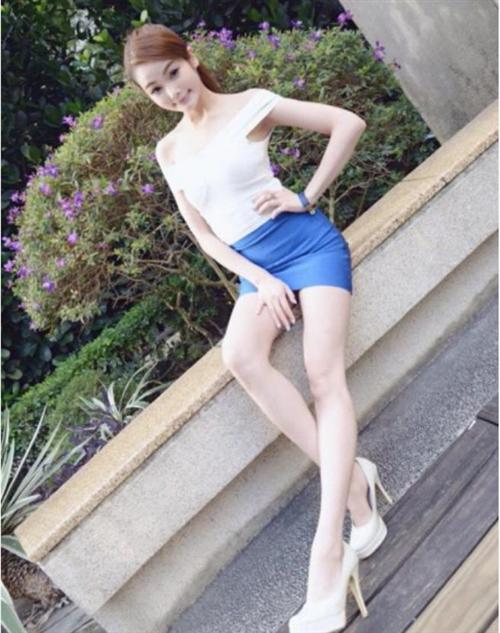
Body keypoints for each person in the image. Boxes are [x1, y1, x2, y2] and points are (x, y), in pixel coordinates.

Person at [123, 22, 394, 633]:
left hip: (307, 247)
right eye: (155, 89)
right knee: (240, 357)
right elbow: (204, 234)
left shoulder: (251, 106)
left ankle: (328, 551)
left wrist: (306, 195)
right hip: (257, 270)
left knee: (324, 377)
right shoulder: (168, 151)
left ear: (191, 58)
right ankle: (354, 480)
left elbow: (347, 123)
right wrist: (261, 280)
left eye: (173, 73)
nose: (171, 91)